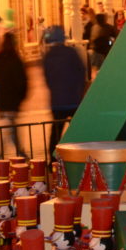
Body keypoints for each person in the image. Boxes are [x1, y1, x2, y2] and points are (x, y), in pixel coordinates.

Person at [42, 25, 86, 155]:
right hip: (74, 99)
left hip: (57, 101)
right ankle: (80, 155)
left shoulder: (48, 56)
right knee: (78, 130)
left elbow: (47, 78)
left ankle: (53, 158)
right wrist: (79, 90)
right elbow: (81, 72)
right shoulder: (72, 53)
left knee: (56, 132)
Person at [0, 32, 28, 158]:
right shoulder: (16, 60)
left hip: (2, 98)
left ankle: (16, 153)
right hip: (13, 99)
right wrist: (21, 96)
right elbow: (22, 82)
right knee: (8, 128)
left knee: (9, 127)